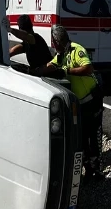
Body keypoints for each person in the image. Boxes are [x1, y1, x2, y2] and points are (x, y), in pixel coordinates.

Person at [33, 25, 104, 178]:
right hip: (81, 103)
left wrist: (67, 71)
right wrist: (33, 73)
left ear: (57, 41)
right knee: (82, 136)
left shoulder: (76, 50)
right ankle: (88, 169)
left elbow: (88, 69)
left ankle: (97, 170)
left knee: (93, 134)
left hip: (93, 99)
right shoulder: (60, 55)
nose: (52, 44)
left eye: (53, 41)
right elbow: (49, 67)